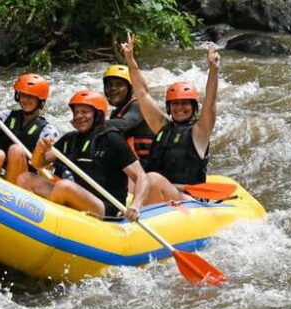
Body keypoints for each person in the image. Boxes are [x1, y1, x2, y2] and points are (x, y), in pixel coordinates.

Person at [16, 90, 149, 222]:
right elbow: (38, 163)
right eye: (76, 112)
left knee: (65, 186)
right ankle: (26, 222)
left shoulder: (111, 139)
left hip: (106, 207)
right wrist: (40, 149)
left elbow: (141, 177)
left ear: (97, 115)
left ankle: (46, 222)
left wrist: (136, 205)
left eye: (85, 112)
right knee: (25, 178)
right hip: (78, 197)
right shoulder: (70, 139)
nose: (79, 116)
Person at [120, 33, 220, 202]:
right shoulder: (162, 127)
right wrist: (130, 60)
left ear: (193, 107)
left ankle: (137, 206)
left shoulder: (199, 132)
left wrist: (214, 70)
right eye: (175, 104)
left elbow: (210, 102)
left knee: (151, 179)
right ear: (169, 107)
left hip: (187, 199)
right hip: (159, 194)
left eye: (185, 103)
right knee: (128, 173)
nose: (179, 108)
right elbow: (142, 94)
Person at [0, 73, 60, 183]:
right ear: (18, 95)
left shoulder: (48, 131)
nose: (26, 99)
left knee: (16, 150)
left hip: (20, 184)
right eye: (23, 94)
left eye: (31, 96)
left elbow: (49, 167)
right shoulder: (5, 117)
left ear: (40, 100)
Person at [102, 64, 156, 167]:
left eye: (119, 84)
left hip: (149, 167)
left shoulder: (138, 106)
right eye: (109, 85)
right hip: (134, 167)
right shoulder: (116, 114)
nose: (113, 88)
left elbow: (125, 124)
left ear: (130, 89)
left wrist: (92, 123)